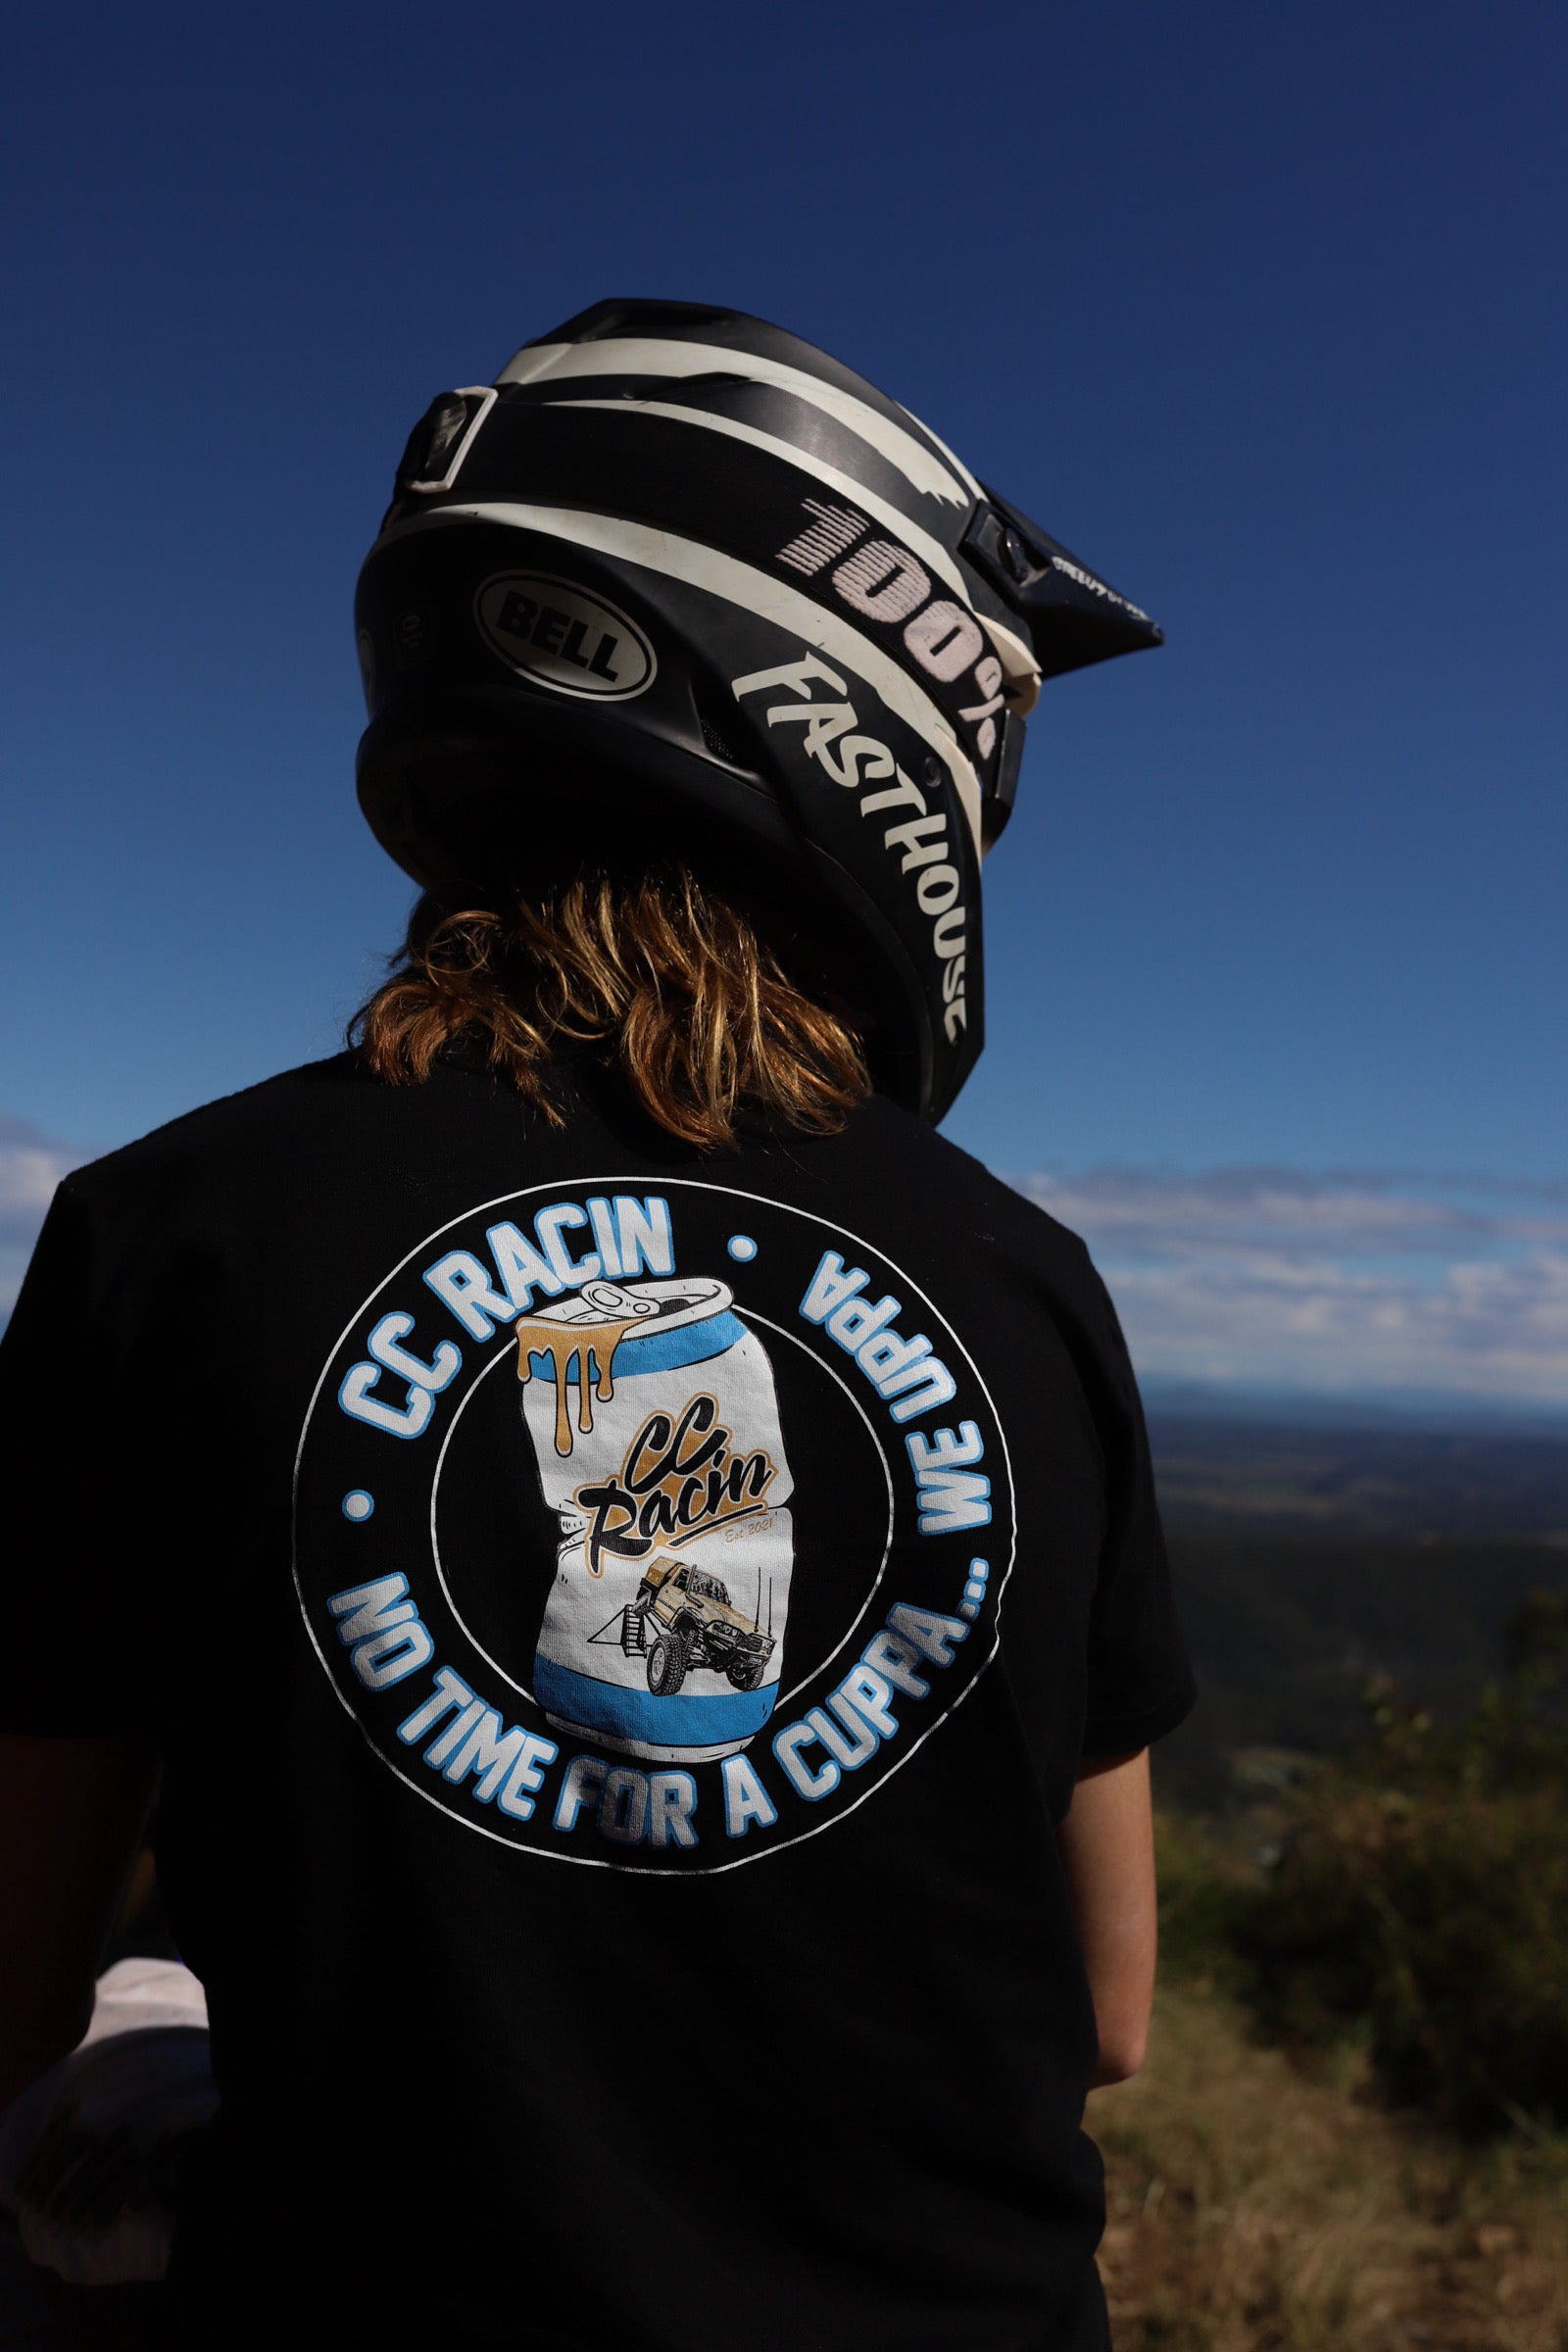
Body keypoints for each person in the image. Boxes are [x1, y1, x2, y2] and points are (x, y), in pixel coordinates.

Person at [0, 298, 1195, 2348]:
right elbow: (1104, 2009)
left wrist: (164, 2048)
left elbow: (18, 1969)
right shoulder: (1027, 1285)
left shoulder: (164, 1228)